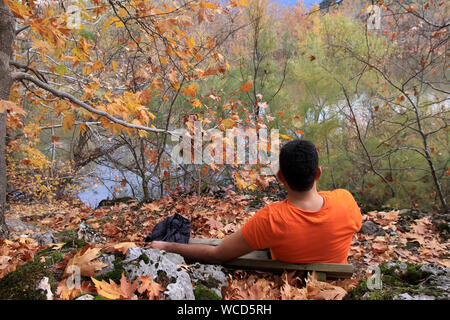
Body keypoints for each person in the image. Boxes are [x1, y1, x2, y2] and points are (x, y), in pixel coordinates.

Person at [149, 139, 362, 265]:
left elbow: (217, 254)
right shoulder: (346, 202)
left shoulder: (272, 219)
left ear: (280, 177)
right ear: (318, 173)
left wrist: (165, 246)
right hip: (335, 288)